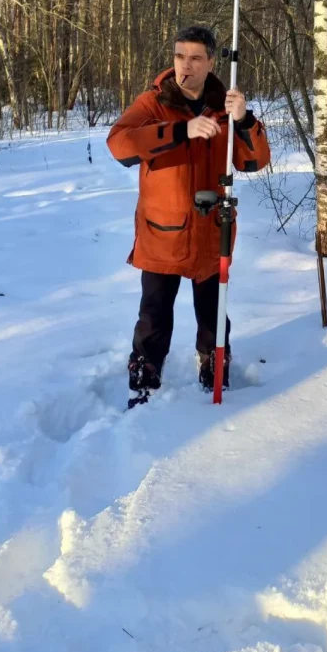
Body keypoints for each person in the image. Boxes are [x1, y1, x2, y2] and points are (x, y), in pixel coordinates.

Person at [107, 25, 270, 405]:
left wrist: (245, 121)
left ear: (211, 62)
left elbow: (255, 160)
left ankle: (214, 369)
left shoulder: (225, 107)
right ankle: (144, 379)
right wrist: (181, 131)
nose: (186, 65)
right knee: (153, 315)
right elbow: (119, 144)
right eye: (180, 56)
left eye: (195, 58)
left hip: (212, 232)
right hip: (162, 233)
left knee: (214, 313)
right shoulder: (153, 103)